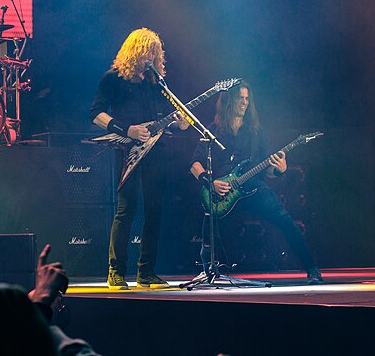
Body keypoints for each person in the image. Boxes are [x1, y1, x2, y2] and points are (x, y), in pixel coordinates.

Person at [189, 81, 324, 284]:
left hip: (253, 189)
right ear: (229, 101)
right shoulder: (213, 130)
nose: (244, 102)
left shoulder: (256, 132)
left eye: (247, 98)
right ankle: (207, 270)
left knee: (285, 221)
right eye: (240, 98)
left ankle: (312, 268)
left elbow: (269, 170)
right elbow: (194, 163)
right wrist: (210, 183)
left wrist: (280, 169)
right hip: (222, 193)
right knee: (210, 226)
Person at [90, 28, 188, 290]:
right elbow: (95, 114)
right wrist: (127, 129)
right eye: (146, 52)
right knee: (126, 210)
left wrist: (181, 123)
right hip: (128, 152)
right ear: (134, 52)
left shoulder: (157, 84)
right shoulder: (114, 79)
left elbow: (173, 120)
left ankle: (146, 273)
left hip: (158, 152)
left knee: (154, 212)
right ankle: (116, 272)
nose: (150, 58)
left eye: (155, 53)